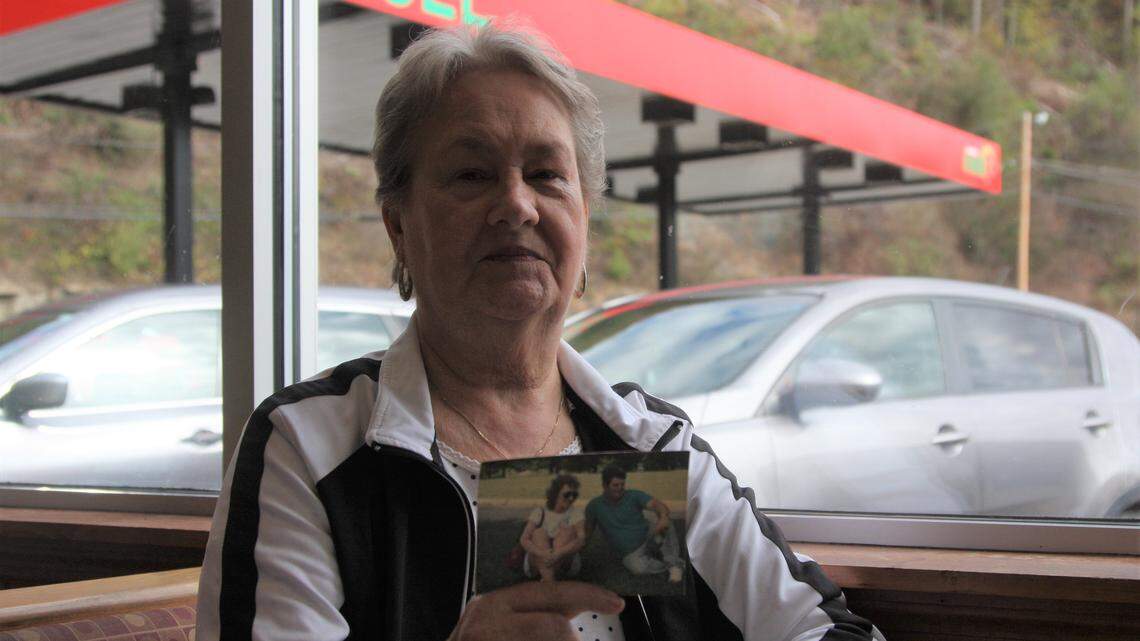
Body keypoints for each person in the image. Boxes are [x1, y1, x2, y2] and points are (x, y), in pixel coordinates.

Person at [196, 22, 884, 641]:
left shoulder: (650, 447)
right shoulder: (310, 452)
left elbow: (829, 630)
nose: (517, 204)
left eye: (548, 174)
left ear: (583, 218)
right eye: (472, 173)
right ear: (398, 225)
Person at [584, 466, 684, 583]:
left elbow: (657, 505)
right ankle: (665, 564)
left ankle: (675, 565)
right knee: (638, 568)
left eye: (622, 485)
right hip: (630, 552)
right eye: (615, 485)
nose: (620, 488)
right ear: (605, 486)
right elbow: (588, 531)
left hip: (650, 536)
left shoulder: (633, 495)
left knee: (667, 523)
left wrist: (663, 517)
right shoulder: (594, 505)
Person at [521, 474, 586, 581]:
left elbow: (581, 540)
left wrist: (558, 554)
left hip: (566, 561)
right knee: (539, 533)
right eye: (567, 494)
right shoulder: (540, 512)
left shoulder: (576, 513)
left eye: (574, 495)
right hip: (537, 560)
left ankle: (547, 582)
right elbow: (524, 539)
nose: (571, 498)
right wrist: (542, 554)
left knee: (566, 532)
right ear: (555, 493)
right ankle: (551, 581)